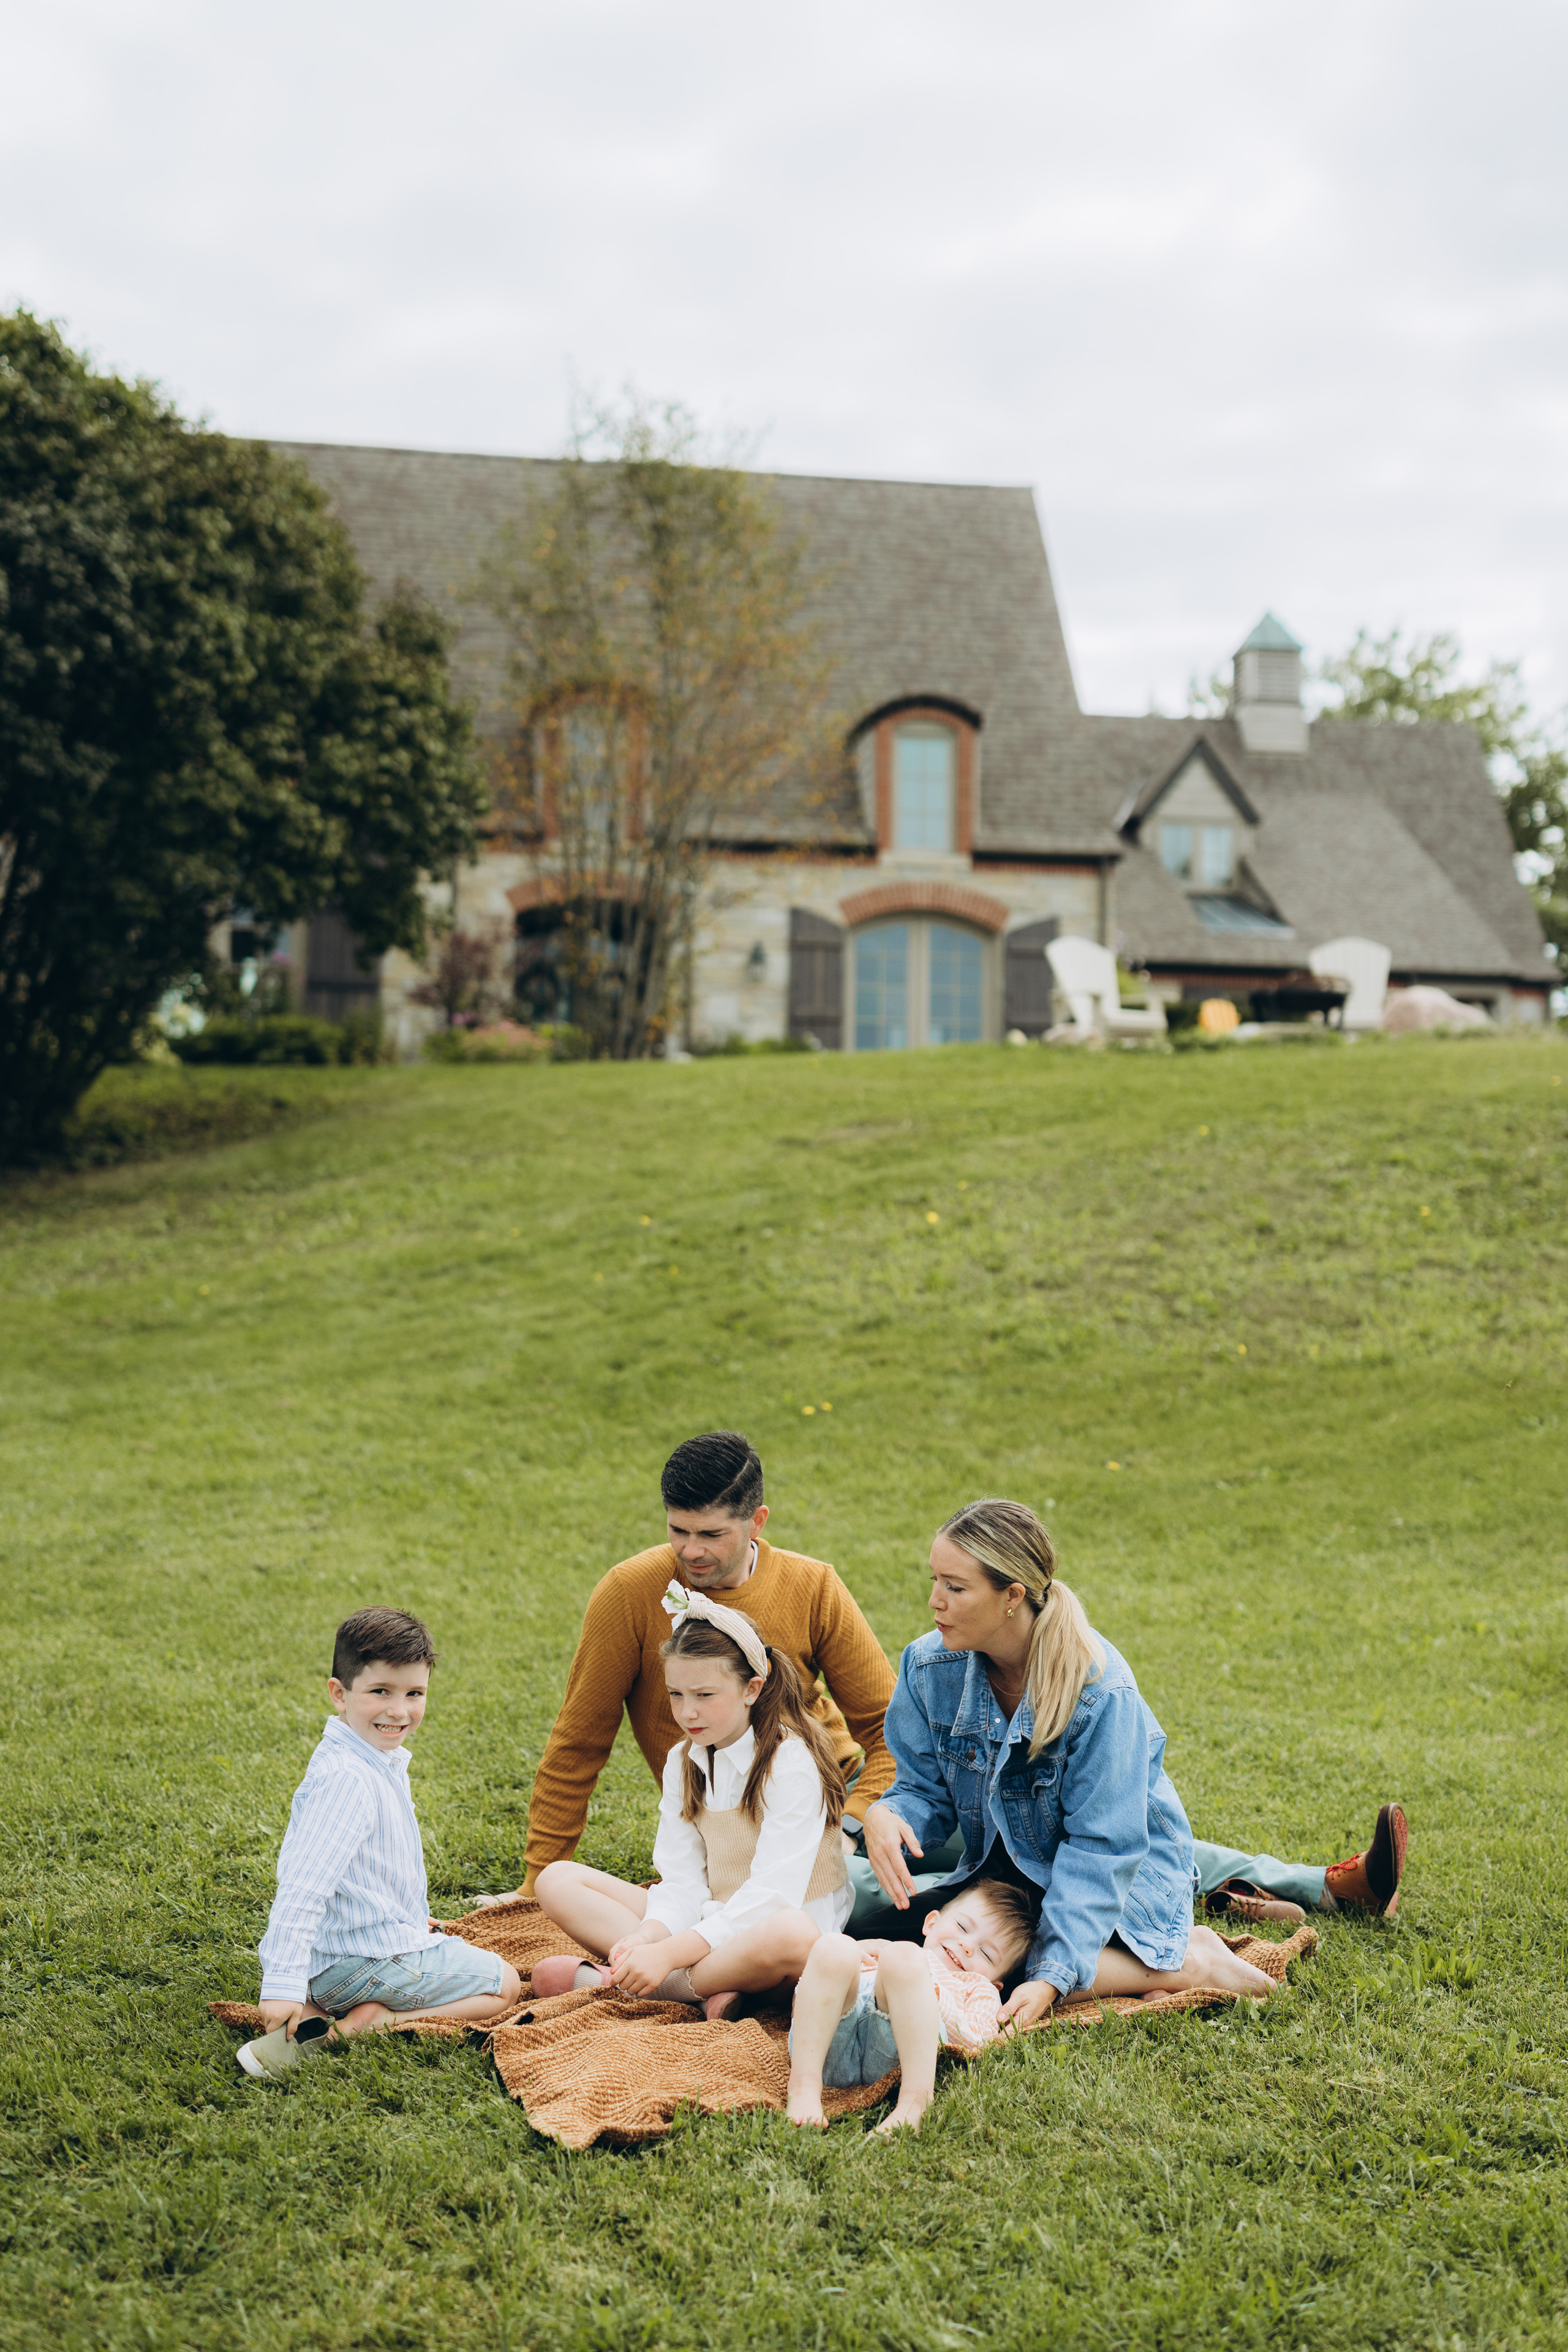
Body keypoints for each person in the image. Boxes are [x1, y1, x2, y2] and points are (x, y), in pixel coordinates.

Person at [859, 1499, 1280, 2035]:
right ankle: (1138, 1964)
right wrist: (890, 1814)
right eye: (935, 1580)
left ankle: (1187, 1961)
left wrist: (1053, 1979)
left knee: (1006, 1983)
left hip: (1120, 1879)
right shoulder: (927, 1666)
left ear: (1012, 1596)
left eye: (955, 1587)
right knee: (874, 1950)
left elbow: (1104, 1848)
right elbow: (925, 1792)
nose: (933, 1601)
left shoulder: (1101, 1691)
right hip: (1011, 1871)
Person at [475, 1432, 896, 1907]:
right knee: (862, 1896)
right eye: (679, 1531)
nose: (692, 1551)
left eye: (712, 1535)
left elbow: (891, 1729)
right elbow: (579, 1741)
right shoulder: (629, 1592)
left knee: (964, 1851)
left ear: (757, 1522)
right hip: (732, 1824)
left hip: (838, 1797)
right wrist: (535, 1886)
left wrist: (854, 1826)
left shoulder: (813, 1584)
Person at [530, 1583, 849, 2018]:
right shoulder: (684, 1760)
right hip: (707, 1915)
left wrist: (670, 1954)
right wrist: (649, 1937)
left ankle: (644, 1984)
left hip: (774, 1929)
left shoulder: (789, 1763)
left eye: (704, 1696)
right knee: (557, 1880)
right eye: (676, 1695)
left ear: (752, 1689)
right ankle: (711, 1987)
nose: (687, 1713)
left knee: (793, 1933)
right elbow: (681, 1881)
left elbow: (774, 1897)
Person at [240, 1607, 521, 2080]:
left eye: (415, 1694)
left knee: (447, 1949)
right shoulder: (350, 1780)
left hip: (335, 1954)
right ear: (339, 1693)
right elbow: (302, 1887)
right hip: (352, 1963)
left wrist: (406, 1918)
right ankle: (371, 2024)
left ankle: (317, 2009)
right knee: (505, 1983)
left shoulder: (365, 1757)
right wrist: (281, 1985)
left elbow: (369, 1869)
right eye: (380, 1693)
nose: (399, 1710)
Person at [786, 1877, 1036, 2136]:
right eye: (962, 1927)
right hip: (829, 2045)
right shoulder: (889, 1951)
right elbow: (812, 1996)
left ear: (996, 1983)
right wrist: (850, 1960)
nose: (967, 1946)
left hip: (897, 2054)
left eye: (986, 1954)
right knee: (835, 1945)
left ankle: (915, 2101)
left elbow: (977, 2039)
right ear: (931, 1923)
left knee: (903, 1959)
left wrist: (932, 1995)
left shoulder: (976, 1987)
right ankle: (804, 2084)